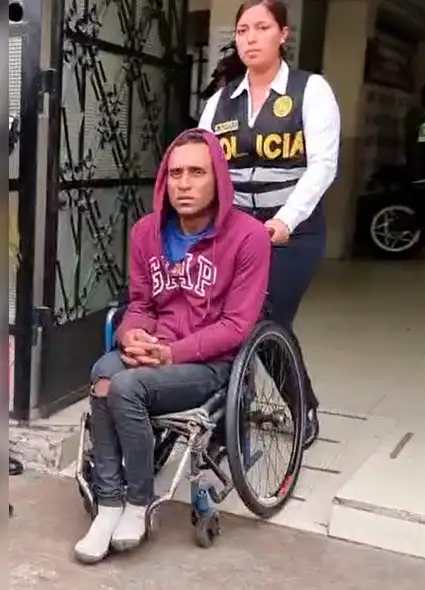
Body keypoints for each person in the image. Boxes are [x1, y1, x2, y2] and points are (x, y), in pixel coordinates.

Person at [73, 129, 272, 564]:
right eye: (176, 173)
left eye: (197, 172)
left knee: (127, 388)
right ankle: (108, 504)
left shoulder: (249, 237)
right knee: (104, 376)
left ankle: (138, 503)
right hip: (155, 352)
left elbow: (238, 325)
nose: (184, 183)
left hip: (209, 363)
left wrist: (171, 354)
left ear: (218, 178)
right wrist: (133, 334)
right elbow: (141, 303)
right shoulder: (148, 232)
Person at [199, 0, 341, 447]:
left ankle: (303, 409)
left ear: (283, 34)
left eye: (262, 28)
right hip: (235, 232)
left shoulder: (310, 90)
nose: (251, 38)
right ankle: (230, 409)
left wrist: (284, 220)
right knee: (221, 316)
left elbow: (323, 165)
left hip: (293, 233)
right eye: (243, 30)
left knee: (267, 315)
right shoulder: (220, 102)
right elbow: (203, 163)